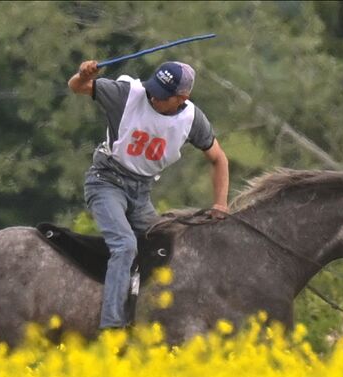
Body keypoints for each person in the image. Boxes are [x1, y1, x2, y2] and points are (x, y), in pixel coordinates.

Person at [68, 58, 229, 331]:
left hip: (141, 195)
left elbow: (219, 159)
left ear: (182, 98)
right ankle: (112, 326)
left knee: (171, 247)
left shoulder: (192, 120)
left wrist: (220, 204)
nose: (154, 96)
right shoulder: (127, 94)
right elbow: (76, 87)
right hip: (106, 182)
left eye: (163, 95)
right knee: (125, 245)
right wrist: (83, 74)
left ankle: (161, 314)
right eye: (154, 88)